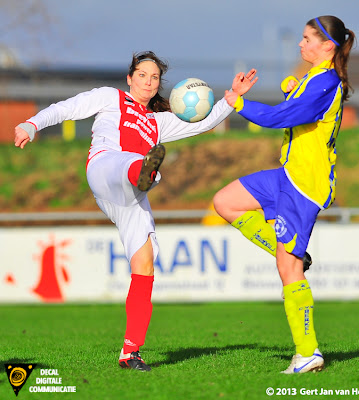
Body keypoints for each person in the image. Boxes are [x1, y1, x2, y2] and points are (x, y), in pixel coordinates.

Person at [14, 51, 257, 372]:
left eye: (154, 77)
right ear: (130, 78)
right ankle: (147, 171)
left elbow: (204, 122)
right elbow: (67, 108)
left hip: (130, 197)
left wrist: (231, 98)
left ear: (159, 85)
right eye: (142, 75)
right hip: (104, 168)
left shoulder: (159, 122)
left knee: (144, 265)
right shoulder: (109, 98)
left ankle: (130, 353)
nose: (148, 81)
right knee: (132, 163)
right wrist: (32, 123)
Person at [213, 16, 356, 374]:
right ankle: (293, 253)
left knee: (286, 268)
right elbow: (300, 109)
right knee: (225, 202)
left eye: (308, 38)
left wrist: (239, 103)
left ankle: (308, 352)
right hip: (286, 174)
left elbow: (284, 117)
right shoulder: (315, 77)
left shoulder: (326, 80)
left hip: (304, 184)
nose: (301, 44)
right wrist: (293, 86)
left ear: (328, 46)